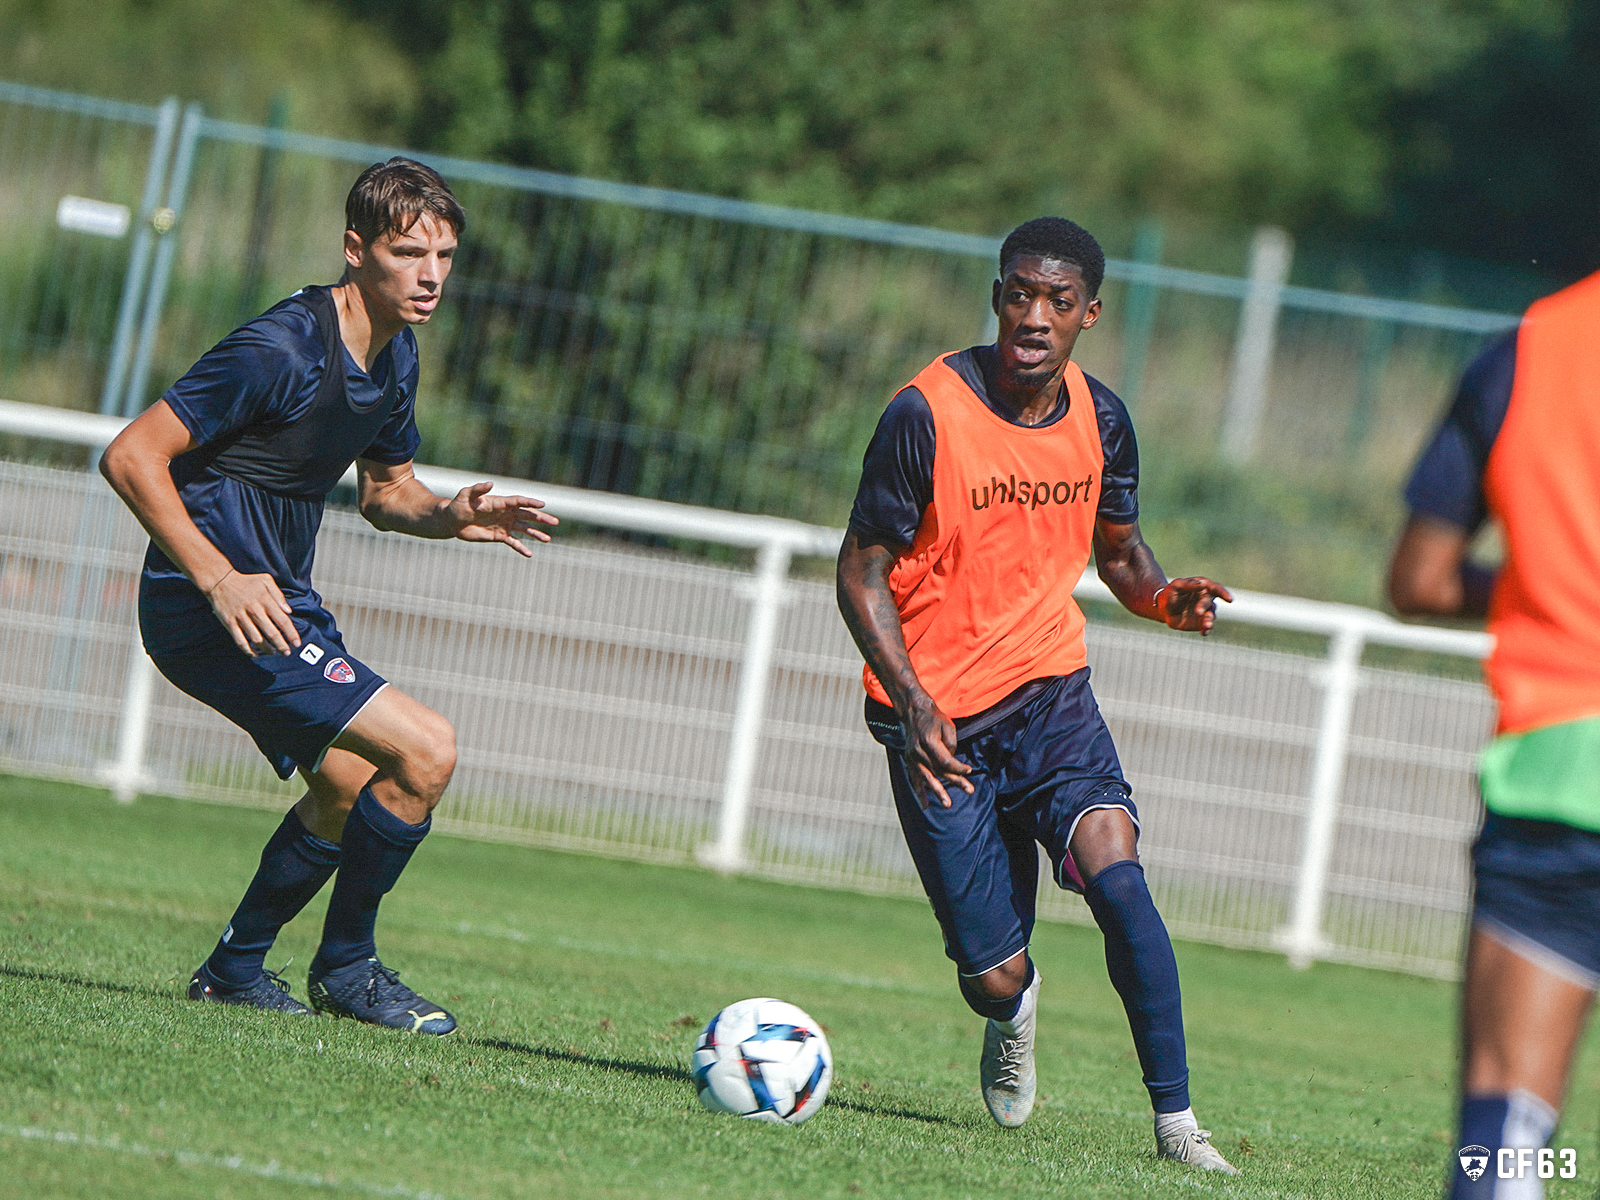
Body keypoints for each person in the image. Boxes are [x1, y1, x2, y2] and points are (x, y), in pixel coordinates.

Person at [100, 157, 556, 1034]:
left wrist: (450, 512)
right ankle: (347, 970)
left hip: (280, 605)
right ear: (356, 249)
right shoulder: (280, 348)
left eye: (446, 256)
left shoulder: (395, 355)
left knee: (349, 781)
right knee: (426, 750)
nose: (430, 275)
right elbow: (131, 455)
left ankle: (233, 971)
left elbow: (388, 495)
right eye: (408, 252)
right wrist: (217, 576)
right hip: (210, 605)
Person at [835, 216, 1237, 1172]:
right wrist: (912, 696)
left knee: (1121, 879)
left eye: (1059, 300)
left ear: (1089, 314)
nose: (1035, 315)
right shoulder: (925, 412)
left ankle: (1179, 1126)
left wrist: (1162, 596)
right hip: (934, 721)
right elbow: (860, 570)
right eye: (1020, 292)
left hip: (1052, 695)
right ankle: (1012, 1012)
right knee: (991, 970)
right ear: (996, 297)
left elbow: (1123, 554)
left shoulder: (1102, 419)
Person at [1389, 269, 1600, 1199]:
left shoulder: (1538, 345)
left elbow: (1422, 578)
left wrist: (1531, 591)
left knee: (1506, 1128)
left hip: (1566, 764)